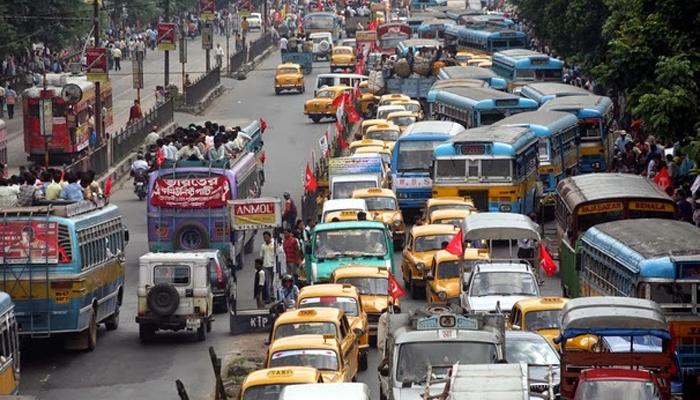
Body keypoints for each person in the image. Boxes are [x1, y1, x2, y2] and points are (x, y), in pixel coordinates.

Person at [259, 231, 276, 302]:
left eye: (266, 237)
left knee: (273, 283)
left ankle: (273, 296)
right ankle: (268, 298)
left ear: (270, 237)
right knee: (267, 283)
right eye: (264, 237)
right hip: (266, 266)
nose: (265, 238)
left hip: (273, 265)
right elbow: (261, 257)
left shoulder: (274, 244)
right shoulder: (263, 246)